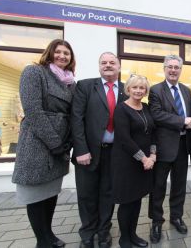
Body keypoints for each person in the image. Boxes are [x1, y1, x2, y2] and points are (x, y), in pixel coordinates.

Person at [12, 39, 76, 248]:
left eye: (67, 53)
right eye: (58, 52)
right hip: (38, 143)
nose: (62, 56)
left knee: (50, 193)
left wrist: (66, 142)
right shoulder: (34, 72)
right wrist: (54, 142)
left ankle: (49, 234)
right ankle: (42, 240)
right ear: (50, 53)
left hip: (59, 146)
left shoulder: (70, 82)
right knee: (36, 195)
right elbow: (33, 111)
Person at [71, 52, 127, 248]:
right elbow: (76, 119)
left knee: (108, 193)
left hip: (115, 154)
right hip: (89, 152)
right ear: (99, 66)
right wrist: (80, 150)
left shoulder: (127, 90)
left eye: (112, 62)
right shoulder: (85, 86)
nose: (108, 65)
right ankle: (87, 232)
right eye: (104, 63)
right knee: (86, 194)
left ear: (119, 66)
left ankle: (104, 231)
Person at [148, 54, 191, 243]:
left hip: (183, 146)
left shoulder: (186, 90)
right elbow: (157, 115)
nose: (173, 70)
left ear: (180, 69)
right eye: (170, 67)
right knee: (158, 186)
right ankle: (156, 222)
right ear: (164, 68)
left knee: (179, 185)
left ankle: (176, 216)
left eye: (177, 67)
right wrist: (182, 121)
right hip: (163, 147)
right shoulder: (156, 90)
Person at [111, 74, 155, 248]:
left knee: (137, 200)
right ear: (128, 89)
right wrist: (144, 158)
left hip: (144, 163)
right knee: (127, 201)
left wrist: (153, 155)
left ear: (146, 91)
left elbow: (152, 132)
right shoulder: (121, 109)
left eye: (142, 88)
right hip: (126, 163)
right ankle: (124, 238)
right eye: (135, 87)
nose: (138, 91)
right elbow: (124, 139)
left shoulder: (146, 107)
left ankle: (133, 234)